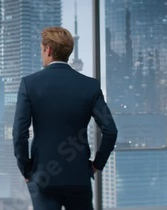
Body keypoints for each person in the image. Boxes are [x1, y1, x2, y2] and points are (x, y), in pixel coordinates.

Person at [12, 26, 118, 210]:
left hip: (43, 177)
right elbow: (110, 131)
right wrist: (96, 165)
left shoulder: (29, 84)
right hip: (78, 176)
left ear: (49, 50)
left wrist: (27, 170)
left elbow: (19, 134)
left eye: (41, 50)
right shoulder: (90, 86)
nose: (42, 54)